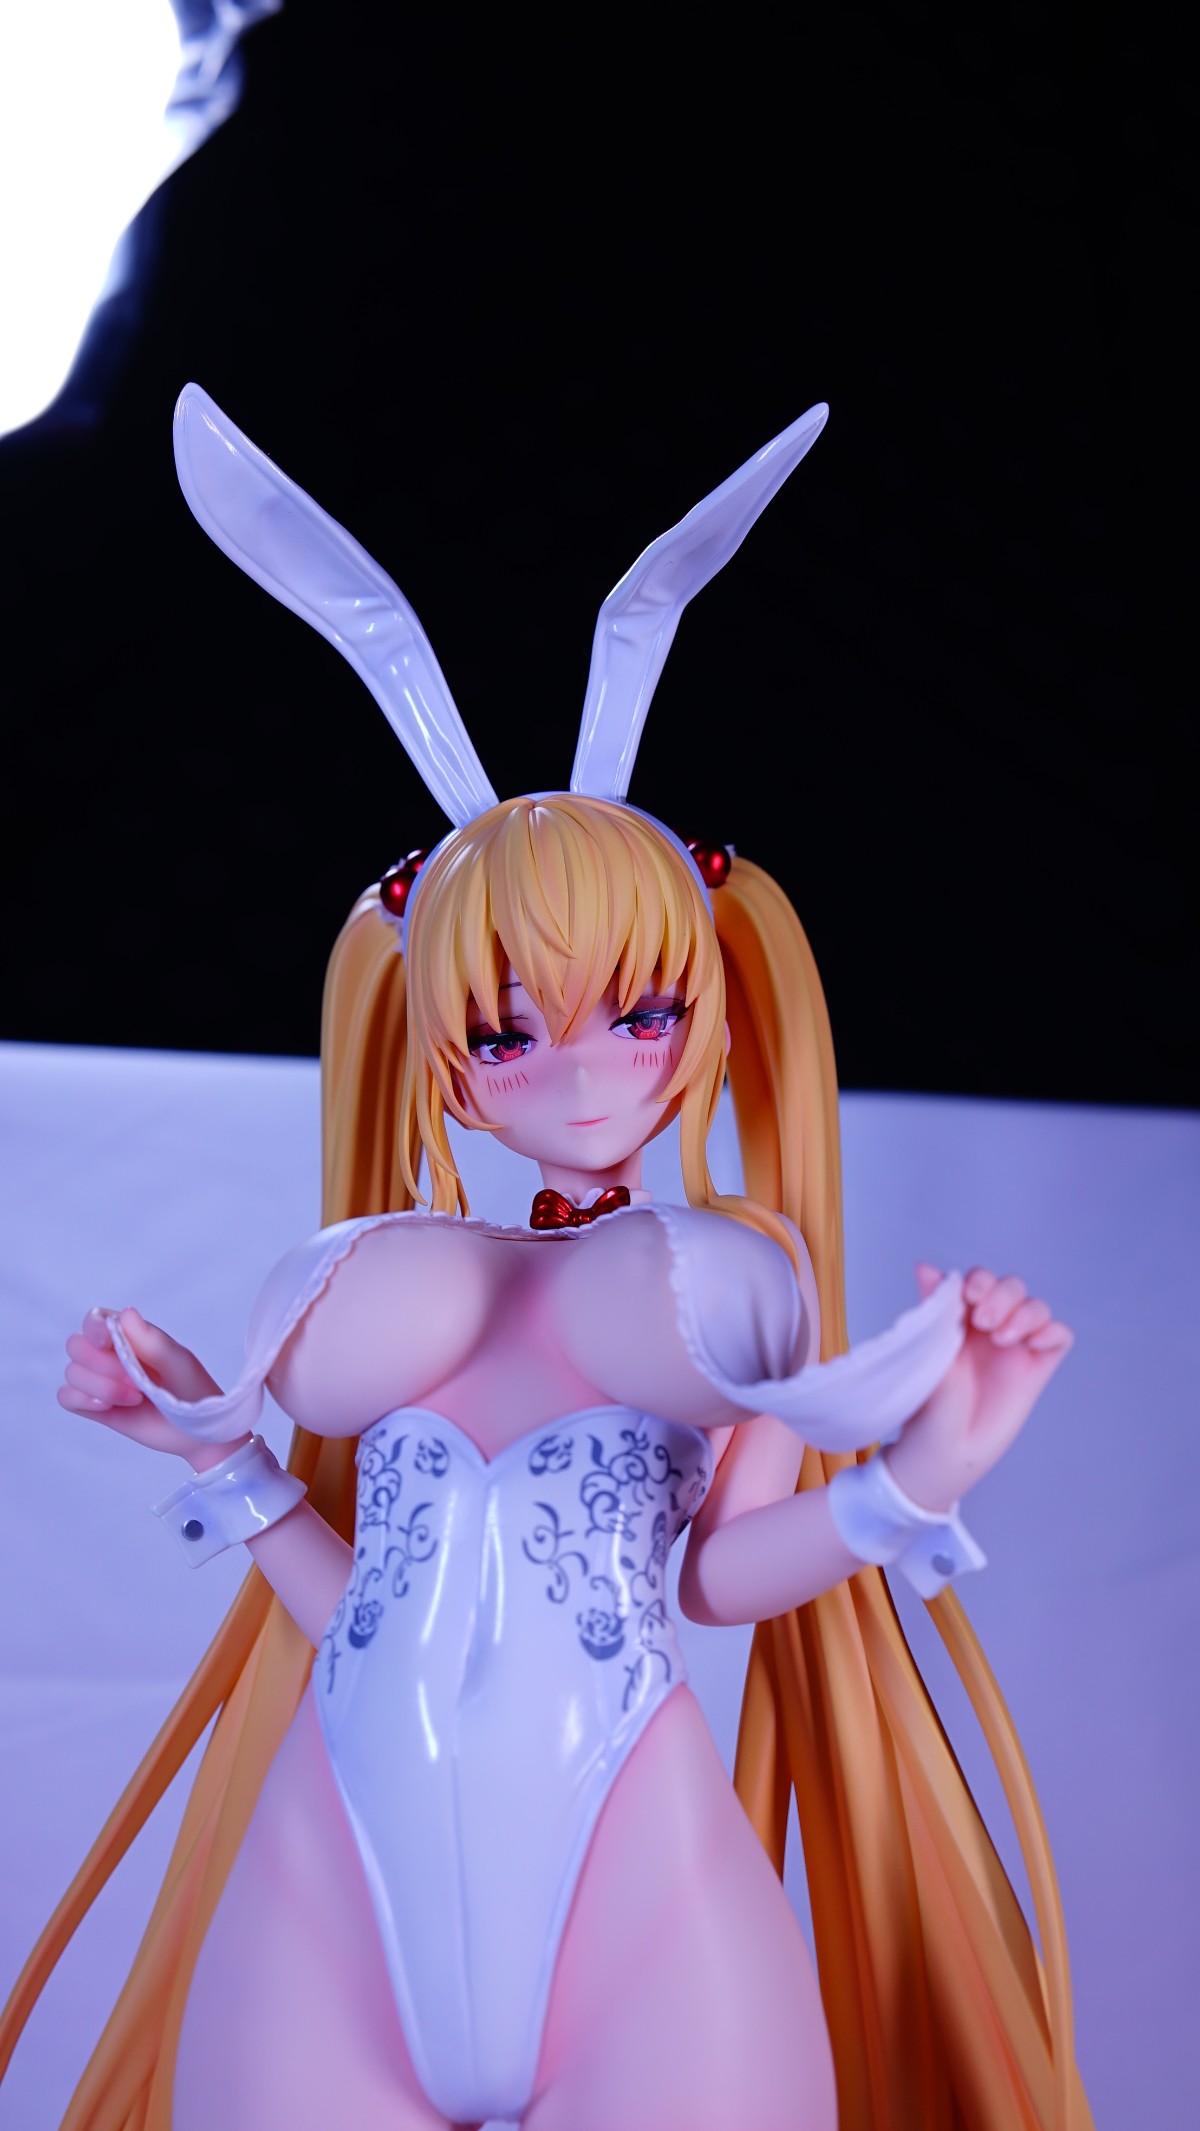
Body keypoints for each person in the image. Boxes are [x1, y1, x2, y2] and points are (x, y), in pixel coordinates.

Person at [0, 396, 1094, 2131]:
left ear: (705, 1012)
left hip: (639, 1898)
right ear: (445, 1060)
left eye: (636, 1014)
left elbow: (715, 1582)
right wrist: (206, 1446)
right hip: (330, 1887)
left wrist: (925, 1472)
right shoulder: (377, 1261)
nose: (579, 1075)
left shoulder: (735, 1269)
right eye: (508, 1036)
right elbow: (367, 1601)